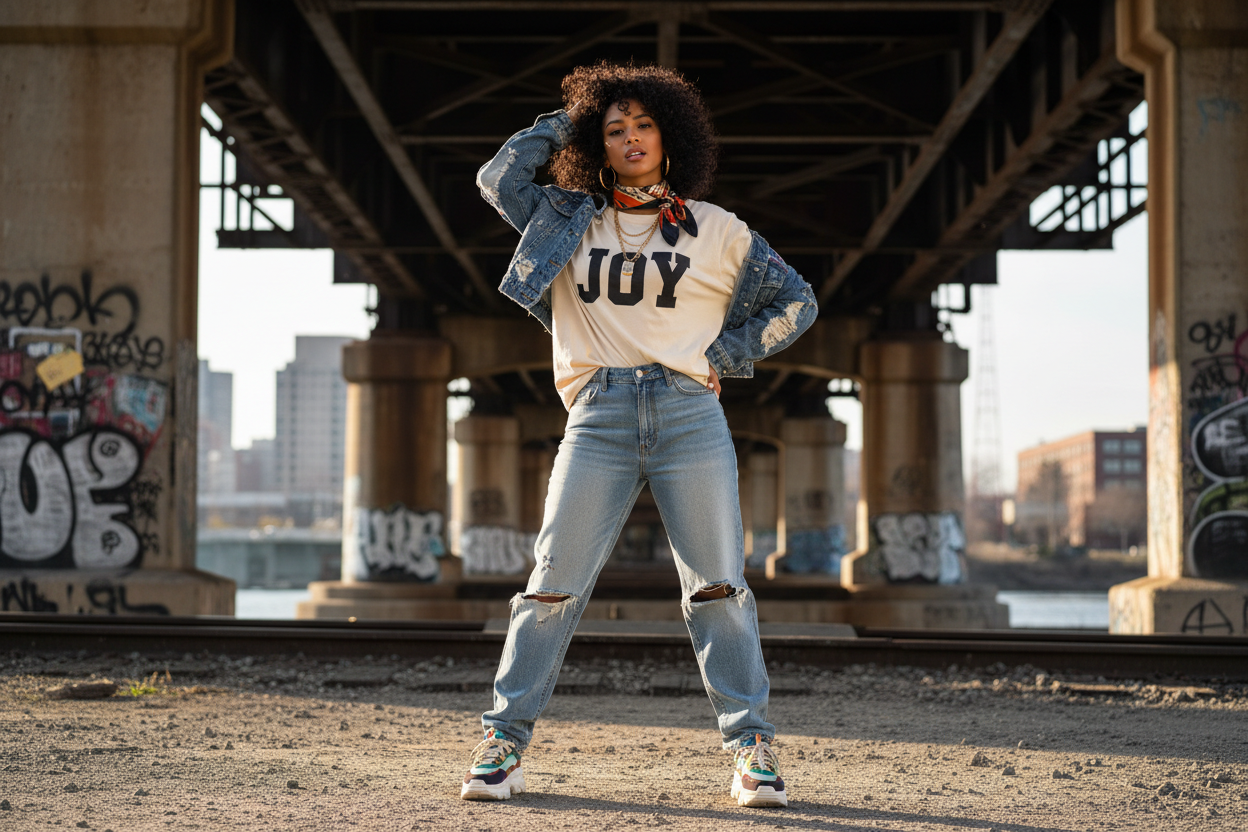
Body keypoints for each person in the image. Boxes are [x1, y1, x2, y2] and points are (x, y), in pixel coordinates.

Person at [462, 61, 817, 808]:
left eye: (643, 124)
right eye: (614, 127)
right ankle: (503, 743)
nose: (630, 138)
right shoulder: (565, 217)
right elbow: (498, 178)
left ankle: (752, 751)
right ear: (599, 139)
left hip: (690, 413)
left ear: (670, 136)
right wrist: (571, 119)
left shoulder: (718, 230)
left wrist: (725, 355)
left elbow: (797, 301)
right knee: (551, 584)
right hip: (598, 412)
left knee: (718, 586)